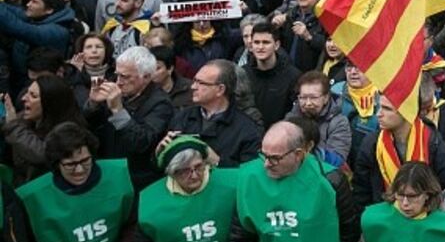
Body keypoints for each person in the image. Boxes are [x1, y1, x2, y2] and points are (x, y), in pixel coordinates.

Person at [229, 121, 358, 242]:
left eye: (274, 158)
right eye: (263, 155)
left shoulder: (331, 181)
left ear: (298, 154)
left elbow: (348, 235)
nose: (266, 164)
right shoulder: (249, 180)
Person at [16, 122, 135, 242]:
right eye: (70, 164)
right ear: (57, 164)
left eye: (85, 161)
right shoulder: (31, 197)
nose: (80, 170)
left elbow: (132, 225)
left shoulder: (119, 175)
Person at [133, 135, 246, 242]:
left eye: (199, 167)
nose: (194, 175)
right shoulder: (149, 201)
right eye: (184, 171)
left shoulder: (234, 185)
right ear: (171, 172)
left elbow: (255, 232)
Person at [84, 45, 173, 189]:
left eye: (125, 76)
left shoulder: (160, 104)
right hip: (107, 169)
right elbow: (88, 127)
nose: (118, 81)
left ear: (146, 77)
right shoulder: (118, 89)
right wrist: (93, 104)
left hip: (137, 178)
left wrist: (118, 111)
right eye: (117, 74)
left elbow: (141, 142)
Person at [354, 97, 445, 209]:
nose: (378, 114)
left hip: (426, 220)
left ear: (406, 112)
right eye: (379, 107)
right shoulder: (371, 144)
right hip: (384, 220)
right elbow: (361, 191)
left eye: (387, 109)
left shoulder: (434, 146)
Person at [166, 59, 261, 167]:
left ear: (220, 89)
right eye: (194, 81)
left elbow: (249, 173)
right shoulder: (183, 117)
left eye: (201, 83)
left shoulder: (246, 129)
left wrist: (217, 162)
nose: (193, 87)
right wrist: (160, 153)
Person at [2, 75, 86, 185]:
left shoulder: (70, 130)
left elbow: (44, 154)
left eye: (33, 95)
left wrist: (13, 126)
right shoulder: (26, 119)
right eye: (27, 93)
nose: (24, 98)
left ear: (50, 103)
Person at [286, 70, 351, 165]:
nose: (308, 103)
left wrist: (305, 153)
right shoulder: (291, 117)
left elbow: (337, 159)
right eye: (303, 98)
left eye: (313, 98)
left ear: (325, 98)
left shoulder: (339, 122)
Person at [244, 22, 301, 128]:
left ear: (276, 45)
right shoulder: (242, 74)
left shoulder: (293, 76)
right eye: (256, 42)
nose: (260, 47)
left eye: (266, 42)